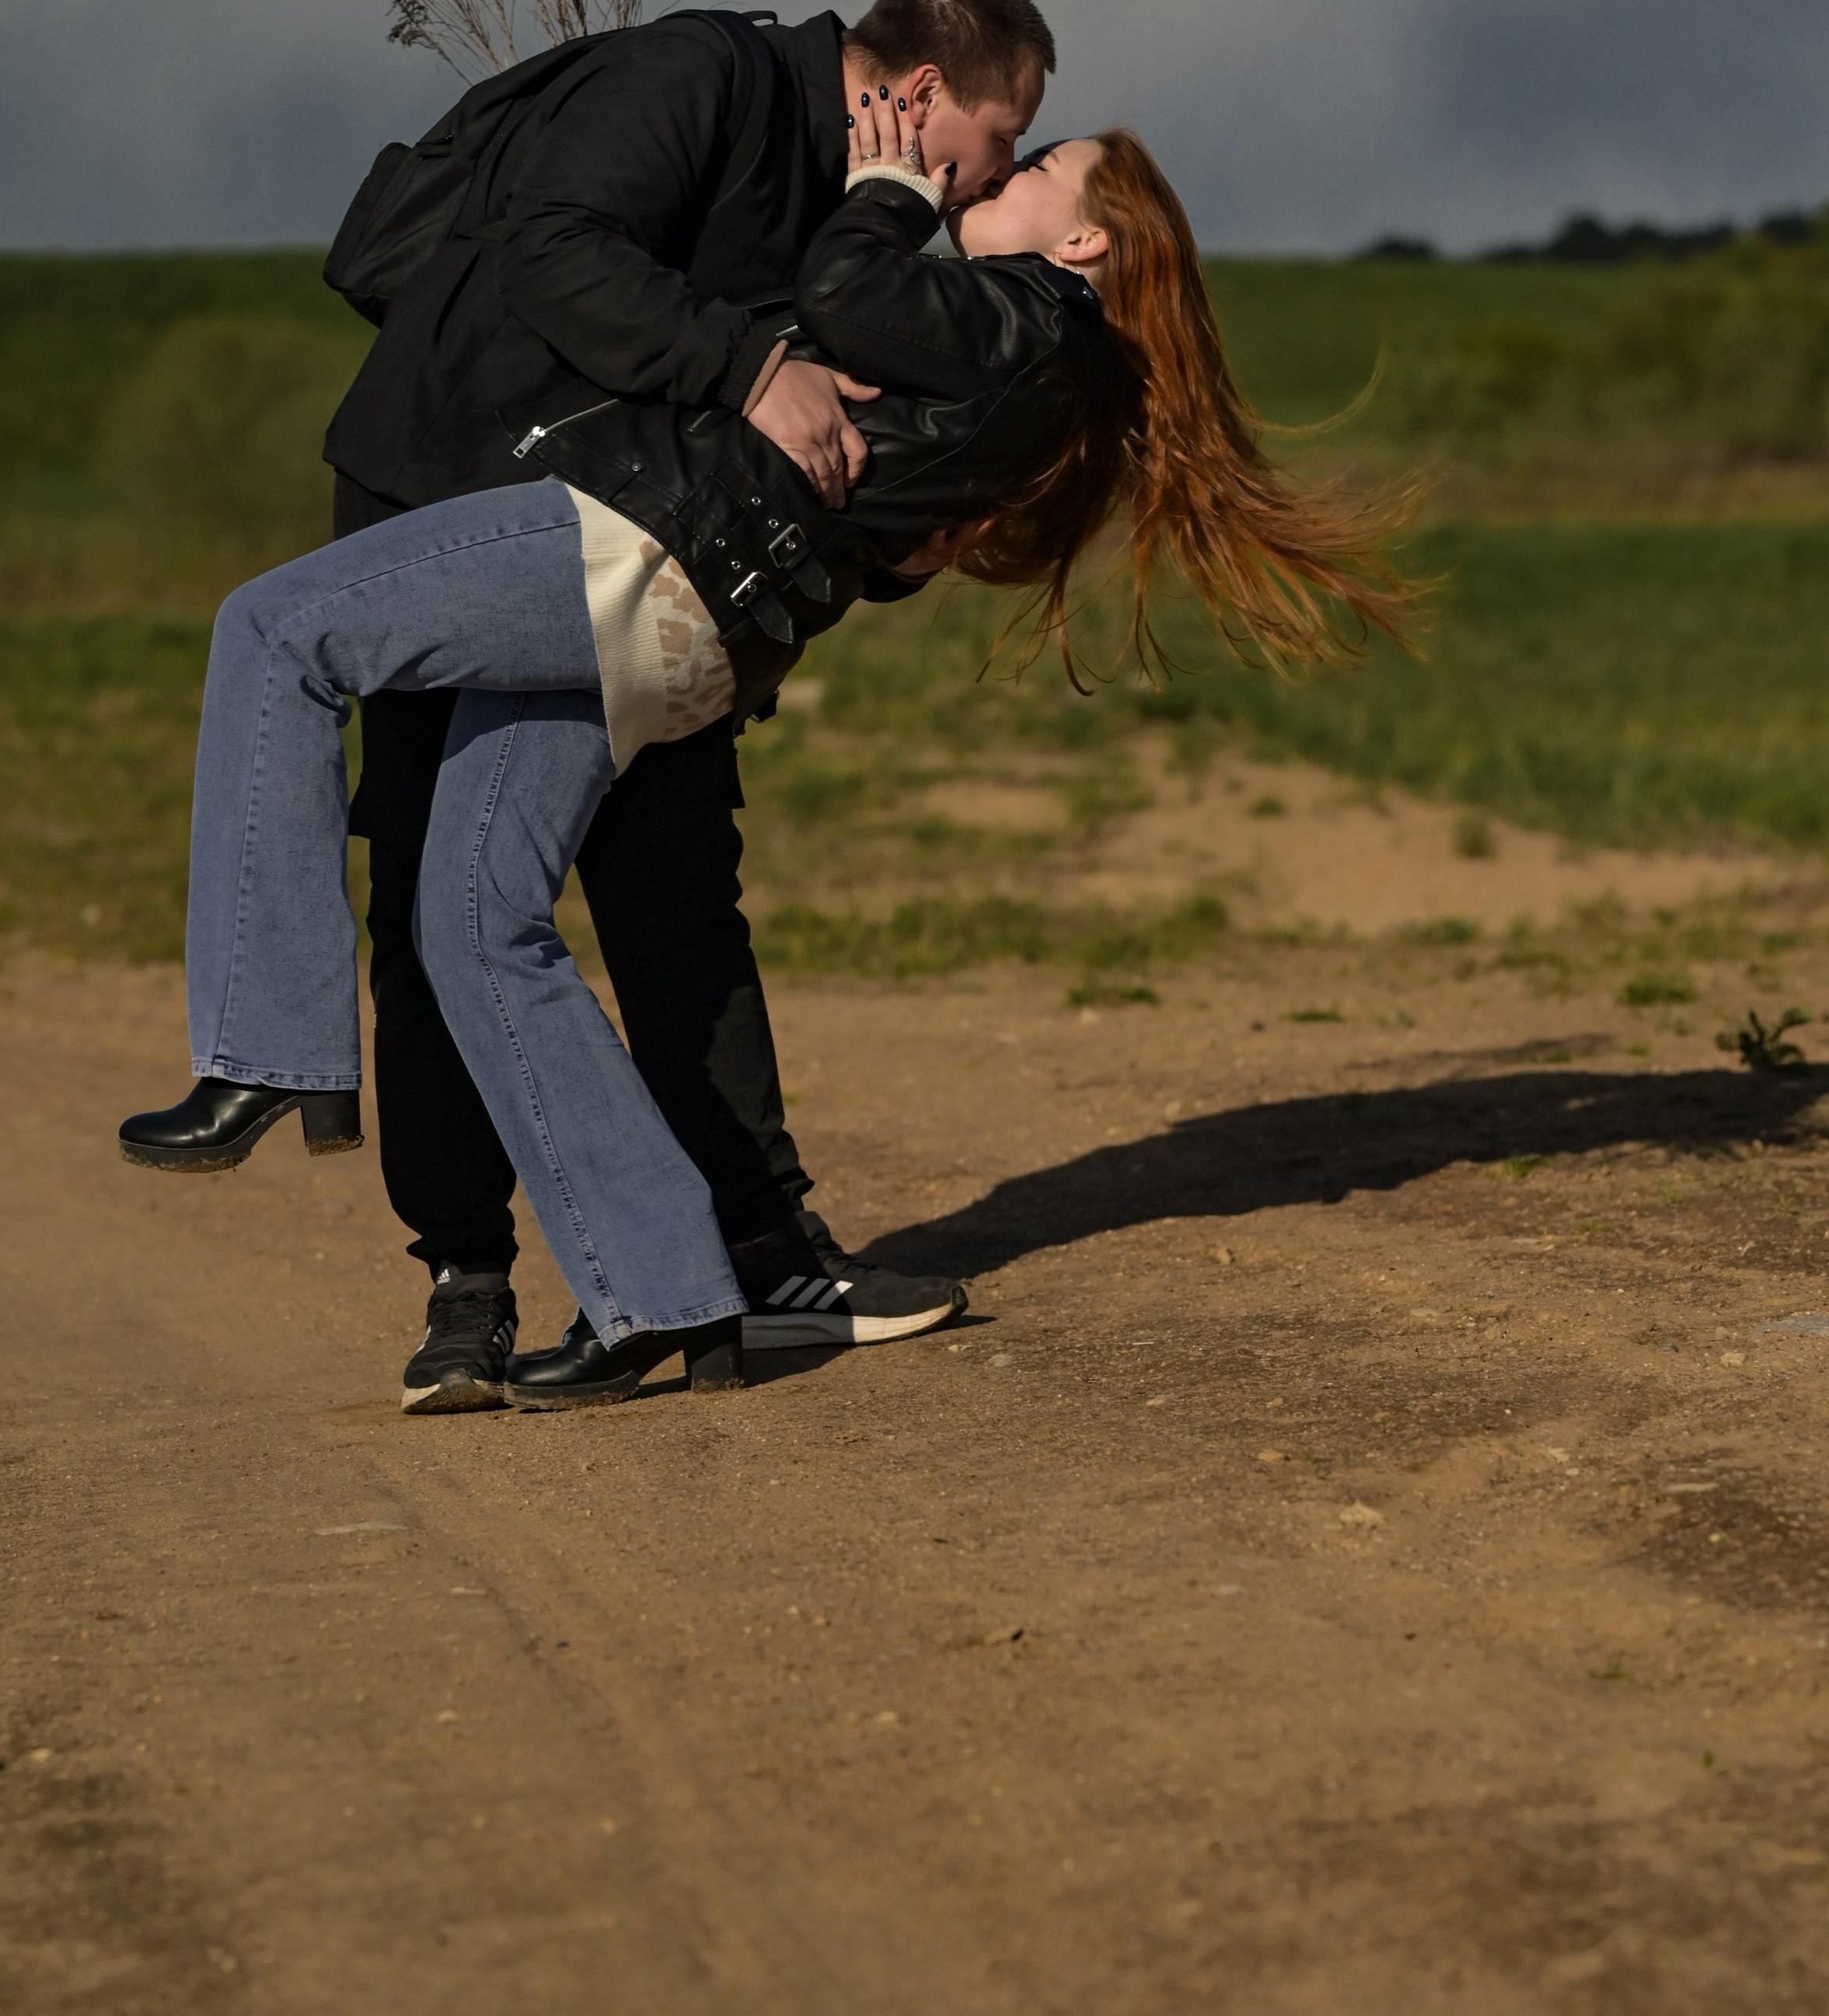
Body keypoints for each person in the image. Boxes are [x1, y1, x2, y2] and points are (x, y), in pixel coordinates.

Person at [119, 124, 1409, 1412]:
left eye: (1027, 174)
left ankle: (269, 1049)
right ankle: (656, 1293)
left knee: (276, 626)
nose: (987, 180)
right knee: (475, 920)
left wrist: (888, 192)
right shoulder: (1045, 368)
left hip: (639, 553)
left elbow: (849, 291)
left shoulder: (1028, 310)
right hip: (696, 638)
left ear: (1085, 241)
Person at [334, 0, 1053, 1411]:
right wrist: (747, 364)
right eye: (1000, 142)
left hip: (623, 558)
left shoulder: (860, 210)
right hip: (439, 509)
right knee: (434, 896)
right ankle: (466, 1285)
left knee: (675, 880)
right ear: (918, 98)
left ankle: (763, 1259)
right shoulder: (701, 76)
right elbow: (551, 247)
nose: (1004, 178)